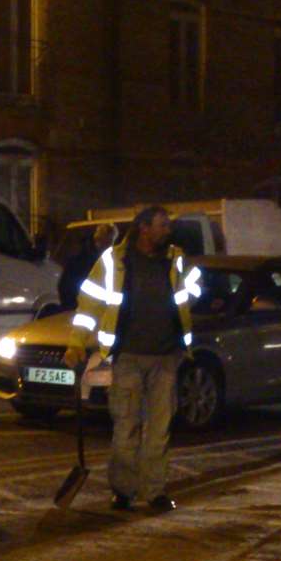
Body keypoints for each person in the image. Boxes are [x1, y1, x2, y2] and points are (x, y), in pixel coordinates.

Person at [64, 206, 196, 512]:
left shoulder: (175, 259)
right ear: (144, 228)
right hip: (128, 358)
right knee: (126, 425)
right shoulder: (113, 261)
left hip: (165, 358)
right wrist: (76, 343)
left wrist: (195, 291)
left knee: (159, 429)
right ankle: (123, 490)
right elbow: (89, 306)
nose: (168, 231)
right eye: (162, 225)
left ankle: (154, 491)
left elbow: (191, 292)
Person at [54, 222, 115, 315]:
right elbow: (67, 288)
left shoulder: (79, 258)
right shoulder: (84, 262)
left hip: (84, 311)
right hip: (85, 312)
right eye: (110, 241)